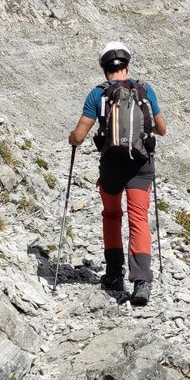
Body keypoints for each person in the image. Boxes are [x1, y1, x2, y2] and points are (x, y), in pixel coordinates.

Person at [68, 41, 166, 306]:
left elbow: (79, 136)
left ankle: (113, 274)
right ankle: (142, 282)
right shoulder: (145, 90)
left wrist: (72, 139)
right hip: (140, 165)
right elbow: (161, 128)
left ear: (104, 69)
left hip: (111, 165)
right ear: (127, 65)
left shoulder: (97, 94)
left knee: (111, 215)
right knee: (138, 219)